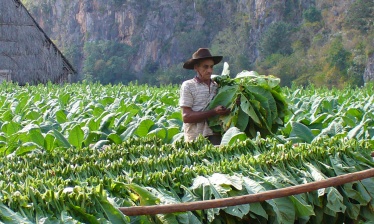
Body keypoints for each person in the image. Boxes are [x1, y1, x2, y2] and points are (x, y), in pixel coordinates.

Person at [179, 48, 231, 145]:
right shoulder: (188, 86)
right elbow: (186, 117)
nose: (209, 70)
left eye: (211, 67)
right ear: (196, 67)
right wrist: (213, 112)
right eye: (205, 67)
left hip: (216, 136)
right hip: (195, 139)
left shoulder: (217, 86)